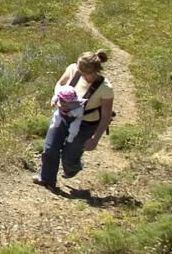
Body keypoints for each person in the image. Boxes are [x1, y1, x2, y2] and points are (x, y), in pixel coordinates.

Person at [33, 50, 114, 189]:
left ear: (93, 71)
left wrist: (95, 139)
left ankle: (73, 168)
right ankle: (46, 179)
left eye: (84, 73)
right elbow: (60, 83)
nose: (80, 74)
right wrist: (58, 98)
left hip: (86, 124)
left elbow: (106, 116)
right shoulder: (73, 69)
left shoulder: (105, 88)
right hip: (63, 116)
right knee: (50, 147)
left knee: (69, 156)